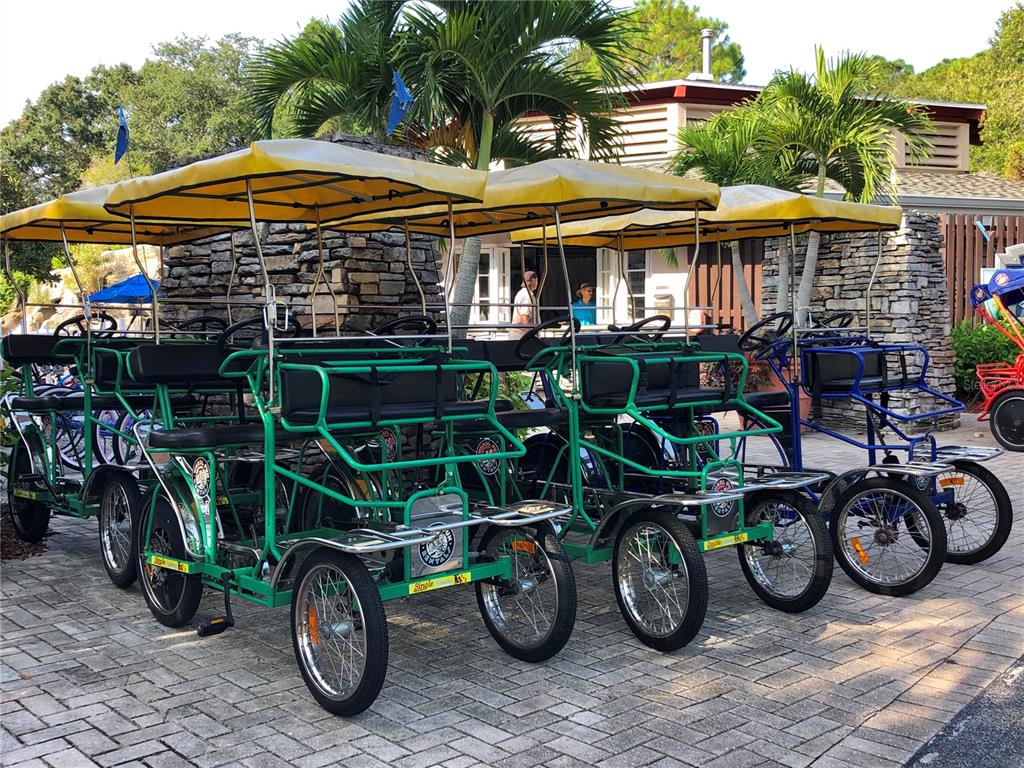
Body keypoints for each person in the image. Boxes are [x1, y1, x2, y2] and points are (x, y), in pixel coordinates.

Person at [510, 270, 539, 339]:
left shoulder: (520, 293)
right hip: (522, 336)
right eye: (537, 280)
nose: (537, 283)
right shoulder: (527, 296)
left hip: (517, 334)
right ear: (533, 280)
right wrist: (530, 335)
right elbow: (524, 318)